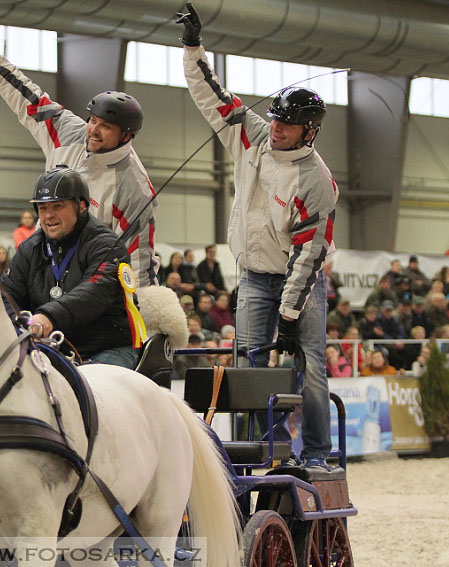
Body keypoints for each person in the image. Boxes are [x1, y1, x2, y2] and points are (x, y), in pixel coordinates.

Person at [178, 3, 338, 471]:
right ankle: (258, 454)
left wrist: (289, 314)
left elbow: (309, 256)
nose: (276, 128)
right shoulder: (252, 136)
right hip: (252, 277)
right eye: (274, 119)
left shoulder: (317, 181)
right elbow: (212, 95)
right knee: (249, 368)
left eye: (286, 124)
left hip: (300, 285)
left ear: (308, 131)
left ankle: (315, 455)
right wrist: (193, 48)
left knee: (309, 367)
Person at [0, 13, 159, 288]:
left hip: (90, 284)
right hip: (40, 263)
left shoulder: (134, 187)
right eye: (94, 120)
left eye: (106, 127)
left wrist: (142, 318)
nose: (94, 130)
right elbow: (29, 98)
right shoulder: (69, 131)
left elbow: (140, 263)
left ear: (127, 135)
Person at [0, 166, 139, 369]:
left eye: (57, 206)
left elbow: (95, 292)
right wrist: (21, 324)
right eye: (43, 208)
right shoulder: (30, 248)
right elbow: (7, 294)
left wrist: (49, 316)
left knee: (92, 394)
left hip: (105, 349)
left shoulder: (107, 244)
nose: (48, 216)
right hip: (49, 348)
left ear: (81, 206)